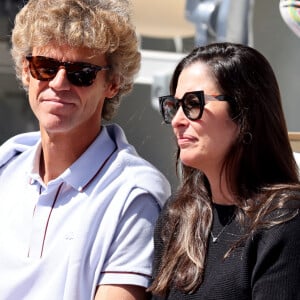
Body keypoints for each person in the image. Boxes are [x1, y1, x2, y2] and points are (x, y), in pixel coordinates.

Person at [0, 0, 171, 299]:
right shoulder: (5, 166)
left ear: (113, 84)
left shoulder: (134, 194)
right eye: (45, 66)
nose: (59, 82)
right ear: (26, 72)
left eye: (81, 72)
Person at [149, 42, 300, 299]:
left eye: (193, 103)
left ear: (244, 111)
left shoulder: (285, 219)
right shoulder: (178, 215)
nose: (177, 121)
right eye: (174, 105)